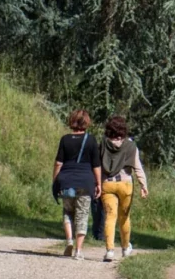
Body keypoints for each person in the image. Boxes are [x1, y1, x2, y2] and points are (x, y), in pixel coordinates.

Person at [52, 109, 102, 260]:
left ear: (72, 121)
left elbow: (58, 163)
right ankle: (78, 250)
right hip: (85, 183)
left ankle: (69, 241)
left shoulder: (65, 139)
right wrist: (98, 183)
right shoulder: (91, 140)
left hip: (66, 181)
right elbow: (96, 165)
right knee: (82, 215)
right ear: (86, 122)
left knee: (67, 212)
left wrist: (55, 180)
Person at [100, 115, 148, 262]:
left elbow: (97, 165)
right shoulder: (130, 146)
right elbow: (137, 167)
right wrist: (143, 185)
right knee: (124, 217)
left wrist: (95, 182)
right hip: (125, 184)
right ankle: (126, 248)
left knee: (110, 216)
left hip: (107, 183)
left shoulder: (103, 144)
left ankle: (109, 251)